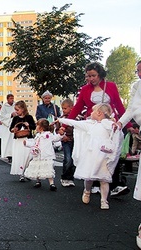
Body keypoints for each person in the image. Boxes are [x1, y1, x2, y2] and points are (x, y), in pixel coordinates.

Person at [67, 62, 130, 196]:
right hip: (93, 125)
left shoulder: (111, 86)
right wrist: (66, 124)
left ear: (100, 74)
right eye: (88, 76)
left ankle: (114, 184)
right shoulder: (84, 89)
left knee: (112, 153)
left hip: (110, 124)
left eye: (93, 75)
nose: (91, 79)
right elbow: (77, 107)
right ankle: (95, 182)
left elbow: (119, 105)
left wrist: (127, 124)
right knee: (95, 154)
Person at [59, 103, 121, 210]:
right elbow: (75, 123)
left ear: (99, 113)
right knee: (89, 177)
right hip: (91, 155)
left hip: (104, 156)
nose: (90, 113)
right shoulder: (90, 125)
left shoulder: (109, 124)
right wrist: (61, 120)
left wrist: (115, 126)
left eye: (92, 111)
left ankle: (104, 200)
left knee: (104, 179)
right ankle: (87, 191)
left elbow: (116, 131)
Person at [115, 60, 141, 246]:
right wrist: (120, 123)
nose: (139, 74)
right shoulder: (137, 87)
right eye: (137, 71)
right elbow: (131, 109)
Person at [24, 119, 61, 191]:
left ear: (41, 127)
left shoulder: (48, 135)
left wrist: (61, 135)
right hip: (37, 155)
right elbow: (34, 143)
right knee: (37, 167)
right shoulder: (37, 135)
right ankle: (38, 181)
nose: (36, 126)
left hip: (46, 155)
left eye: (37, 125)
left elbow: (56, 138)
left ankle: (51, 183)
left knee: (48, 168)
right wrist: (27, 143)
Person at [9, 101, 36, 181]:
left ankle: (27, 171)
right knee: (20, 157)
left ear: (23, 109)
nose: (16, 112)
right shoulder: (15, 118)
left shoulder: (29, 117)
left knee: (28, 157)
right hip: (18, 140)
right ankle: (21, 174)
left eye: (17, 110)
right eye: (16, 110)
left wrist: (28, 125)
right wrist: (13, 129)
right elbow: (10, 128)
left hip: (27, 139)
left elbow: (34, 127)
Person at [55, 98, 76, 187]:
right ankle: (65, 177)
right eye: (62, 108)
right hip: (66, 140)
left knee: (74, 159)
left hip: (75, 140)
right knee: (68, 158)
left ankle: (70, 178)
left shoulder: (77, 118)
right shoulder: (61, 119)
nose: (63, 110)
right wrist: (63, 136)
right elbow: (57, 130)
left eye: (65, 108)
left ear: (71, 108)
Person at [0, 94, 16, 160]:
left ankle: (14, 154)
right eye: (10, 98)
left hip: (14, 125)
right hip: (7, 127)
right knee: (7, 141)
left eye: (13, 98)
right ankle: (8, 155)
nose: (12, 99)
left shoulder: (15, 105)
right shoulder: (4, 107)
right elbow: (2, 116)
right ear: (7, 99)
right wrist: (10, 115)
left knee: (14, 141)